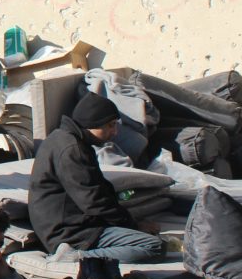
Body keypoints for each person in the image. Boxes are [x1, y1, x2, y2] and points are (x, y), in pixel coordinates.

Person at [28, 92, 165, 263]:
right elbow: (95, 202)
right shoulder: (72, 150)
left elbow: (98, 192)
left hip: (72, 224)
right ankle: (76, 257)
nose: (114, 132)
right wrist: (135, 226)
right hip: (71, 233)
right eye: (110, 125)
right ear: (92, 124)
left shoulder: (65, 139)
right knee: (154, 246)